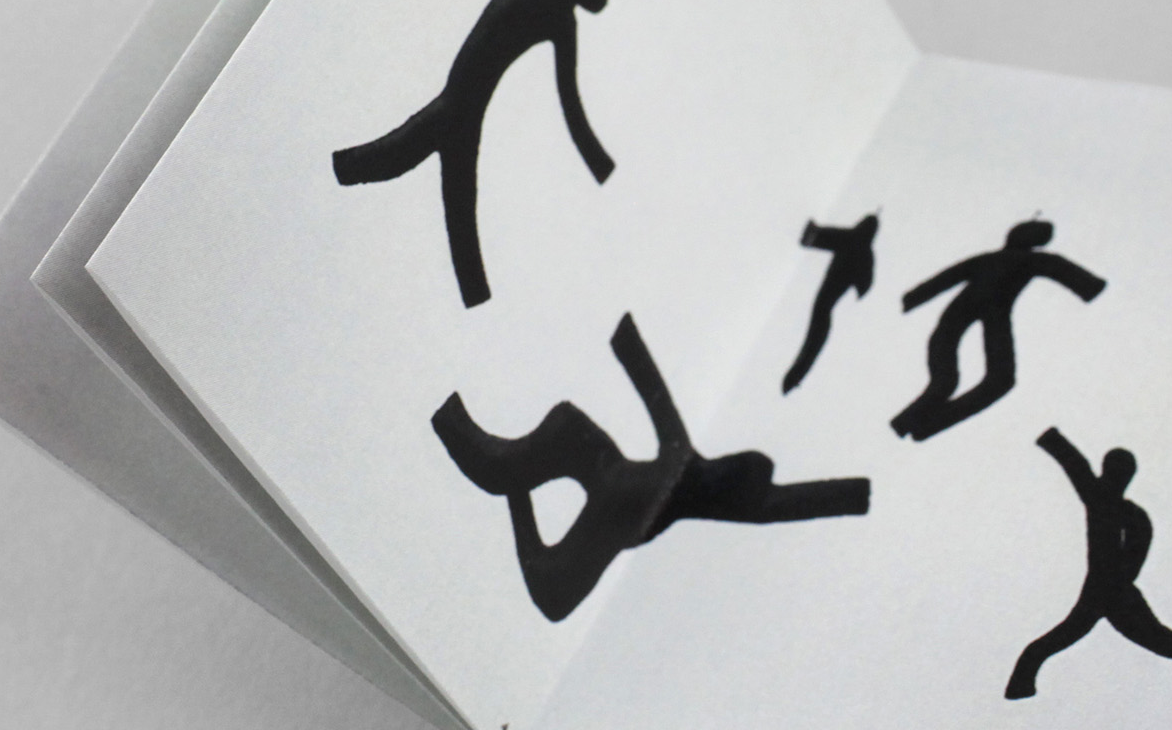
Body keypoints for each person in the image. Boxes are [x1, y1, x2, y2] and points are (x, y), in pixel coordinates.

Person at [331, 0, 651, 306]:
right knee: (426, 176)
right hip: (462, 103)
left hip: (464, 101)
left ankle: (472, 289)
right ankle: (472, 288)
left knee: (428, 176)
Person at [431, 315, 869, 621]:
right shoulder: (684, 465)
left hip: (566, 565)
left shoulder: (683, 479)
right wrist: (625, 339)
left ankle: (500, 470)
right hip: (605, 490)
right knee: (571, 427)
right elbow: (657, 399)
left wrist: (855, 494)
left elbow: (781, 504)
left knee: (570, 449)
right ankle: (502, 466)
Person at [1006, 428, 1172, 700]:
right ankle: (1021, 686)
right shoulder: (1109, 502)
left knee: (1149, 637)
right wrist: (1052, 441)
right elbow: (1077, 468)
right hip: (1109, 586)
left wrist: (1053, 441)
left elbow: (1137, 546)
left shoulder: (1116, 506)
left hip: (1110, 587)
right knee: (1152, 637)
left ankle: (1021, 686)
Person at [889, 219, 1105, 440]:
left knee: (948, 381)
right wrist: (1091, 286)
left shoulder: (993, 259)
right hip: (985, 315)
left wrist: (911, 299)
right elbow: (1065, 271)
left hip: (962, 314)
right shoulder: (1032, 259)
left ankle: (911, 424)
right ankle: (920, 426)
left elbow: (945, 279)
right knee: (997, 380)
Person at [780, 214, 878, 393]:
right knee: (818, 330)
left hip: (825, 297)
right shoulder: (867, 254)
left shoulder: (850, 237)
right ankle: (795, 376)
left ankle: (794, 377)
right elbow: (865, 285)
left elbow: (819, 236)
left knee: (818, 324)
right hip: (830, 301)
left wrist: (813, 234)